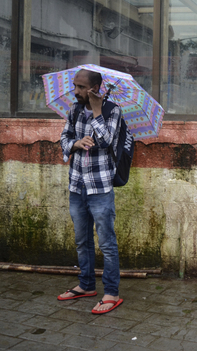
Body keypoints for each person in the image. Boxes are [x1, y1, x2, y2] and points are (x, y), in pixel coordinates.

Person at [57, 69, 124, 314]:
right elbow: (63, 139)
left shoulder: (112, 111)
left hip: (100, 187)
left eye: (82, 87)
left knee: (106, 243)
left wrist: (97, 112)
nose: (76, 91)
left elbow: (107, 141)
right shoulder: (73, 110)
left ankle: (112, 293)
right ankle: (86, 285)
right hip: (76, 185)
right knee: (82, 240)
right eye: (75, 86)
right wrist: (75, 143)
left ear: (96, 87)